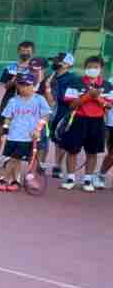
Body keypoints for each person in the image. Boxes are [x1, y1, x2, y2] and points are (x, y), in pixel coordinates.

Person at [57, 55, 112, 192]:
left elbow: (108, 106)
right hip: (78, 119)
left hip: (97, 122)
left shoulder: (107, 85)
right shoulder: (76, 82)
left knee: (92, 152)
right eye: (89, 67)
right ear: (85, 68)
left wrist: (97, 97)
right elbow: (71, 104)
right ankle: (70, 178)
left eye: (96, 67)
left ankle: (88, 179)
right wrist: (88, 96)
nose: (92, 69)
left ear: (101, 68)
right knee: (72, 150)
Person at [0, 72, 50, 192]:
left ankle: (3, 178)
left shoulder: (39, 100)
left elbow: (45, 115)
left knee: (15, 158)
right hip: (13, 136)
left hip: (28, 137)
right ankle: (15, 181)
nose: (23, 88)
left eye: (27, 85)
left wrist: (38, 129)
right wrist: (5, 132)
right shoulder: (13, 101)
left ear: (33, 86)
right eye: (21, 85)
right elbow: (8, 117)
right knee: (15, 159)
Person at [0, 40, 35, 171]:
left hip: (26, 104)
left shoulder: (35, 68)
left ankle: (10, 158)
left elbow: (36, 86)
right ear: (18, 51)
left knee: (18, 131)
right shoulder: (10, 67)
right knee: (1, 129)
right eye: (23, 50)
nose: (25, 52)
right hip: (9, 101)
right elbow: (6, 86)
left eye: (28, 50)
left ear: (32, 52)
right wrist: (14, 79)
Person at [45, 53, 79, 177]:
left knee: (62, 139)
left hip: (64, 112)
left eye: (58, 61)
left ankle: (58, 166)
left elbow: (69, 98)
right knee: (54, 139)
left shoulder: (72, 78)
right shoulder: (51, 76)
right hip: (51, 111)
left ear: (67, 64)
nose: (55, 63)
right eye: (55, 60)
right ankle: (54, 164)